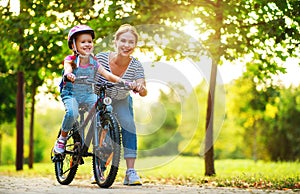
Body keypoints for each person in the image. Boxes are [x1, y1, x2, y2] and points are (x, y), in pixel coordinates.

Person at [53, 24, 127, 154]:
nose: (87, 44)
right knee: (72, 113)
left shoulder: (94, 62)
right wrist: (68, 74)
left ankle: (102, 139)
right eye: (83, 42)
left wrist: (124, 82)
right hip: (71, 94)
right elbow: (68, 68)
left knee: (104, 108)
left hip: (88, 94)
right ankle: (62, 139)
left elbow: (108, 75)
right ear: (73, 45)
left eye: (90, 41)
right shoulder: (70, 60)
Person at [95, 24, 147, 186]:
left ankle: (130, 172)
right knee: (104, 132)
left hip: (121, 99)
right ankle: (100, 168)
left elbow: (143, 88)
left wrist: (141, 87)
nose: (126, 45)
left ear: (135, 45)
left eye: (131, 42)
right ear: (115, 42)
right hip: (99, 97)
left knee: (129, 125)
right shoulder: (101, 58)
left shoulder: (136, 65)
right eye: (123, 41)